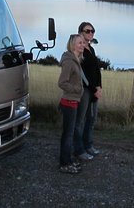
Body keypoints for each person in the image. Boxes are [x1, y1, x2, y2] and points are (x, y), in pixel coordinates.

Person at [73, 21, 102, 160]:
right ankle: (78, 150)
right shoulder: (79, 50)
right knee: (80, 120)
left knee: (91, 119)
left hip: (94, 90)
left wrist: (99, 86)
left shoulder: (91, 49)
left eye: (92, 31)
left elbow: (97, 70)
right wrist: (92, 88)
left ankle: (88, 145)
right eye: (87, 31)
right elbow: (82, 74)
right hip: (85, 90)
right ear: (80, 33)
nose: (90, 33)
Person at [57, 33, 86, 174]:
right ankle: (64, 164)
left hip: (73, 101)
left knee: (69, 133)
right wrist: (76, 89)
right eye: (80, 43)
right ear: (72, 45)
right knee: (67, 134)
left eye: (83, 43)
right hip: (68, 102)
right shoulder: (69, 61)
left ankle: (68, 160)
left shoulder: (76, 60)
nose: (83, 45)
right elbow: (62, 82)